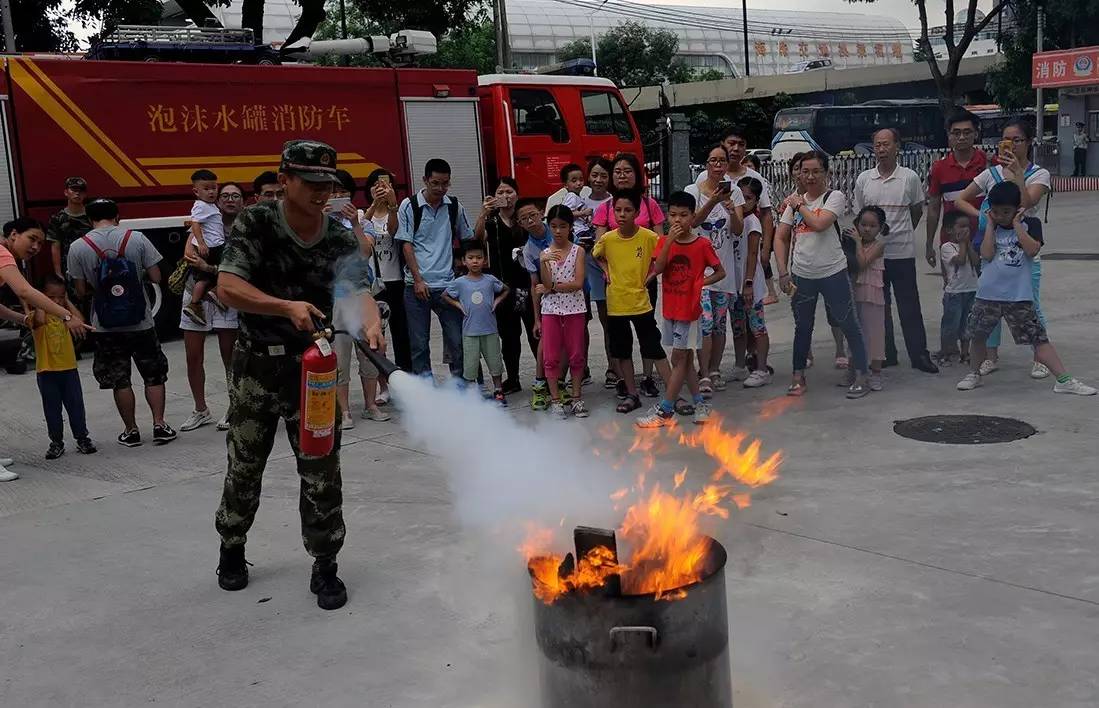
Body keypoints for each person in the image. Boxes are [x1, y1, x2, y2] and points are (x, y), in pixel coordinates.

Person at [213, 140, 384, 610]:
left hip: (314, 370)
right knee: (245, 464)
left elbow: (355, 287)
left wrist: (370, 320)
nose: (318, 192)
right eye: (309, 182)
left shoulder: (338, 236)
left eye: (326, 184)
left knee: (322, 467)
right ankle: (232, 547)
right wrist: (283, 306)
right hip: (257, 366)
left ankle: (325, 563)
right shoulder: (257, 223)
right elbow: (227, 287)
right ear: (284, 179)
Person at [956, 181, 1094, 396]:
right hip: (988, 294)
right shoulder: (988, 226)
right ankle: (974, 373)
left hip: (1018, 296)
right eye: (996, 211)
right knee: (979, 336)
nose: (1001, 216)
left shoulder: (1031, 224)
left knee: (1038, 338)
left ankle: (1064, 380)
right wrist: (991, 225)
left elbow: (1031, 250)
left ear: (1018, 208)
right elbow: (987, 254)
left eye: (1006, 211)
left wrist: (1018, 224)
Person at [67, 199, 177, 447]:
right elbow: (156, 276)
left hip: (105, 325)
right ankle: (159, 425)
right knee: (154, 375)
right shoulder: (136, 238)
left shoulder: (78, 246)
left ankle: (131, 430)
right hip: (142, 322)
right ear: (117, 216)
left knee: (120, 379)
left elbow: (81, 289)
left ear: (88, 219)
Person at [954, 118, 1052, 379]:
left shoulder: (1039, 174)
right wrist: (984, 215)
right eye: (1005, 141)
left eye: (1016, 140)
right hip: (993, 249)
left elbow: (1027, 201)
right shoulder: (990, 174)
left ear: (1028, 142)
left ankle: (1040, 357)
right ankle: (990, 356)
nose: (1010, 145)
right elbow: (961, 200)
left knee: (1031, 303)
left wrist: (1018, 174)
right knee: (989, 305)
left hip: (1022, 247)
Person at [1, 218, 93, 480]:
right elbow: (25, 291)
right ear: (14, 234)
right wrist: (66, 315)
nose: (36, 247)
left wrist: (20, 319)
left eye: (41, 243)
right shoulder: (2, 254)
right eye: (32, 239)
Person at [774, 151, 870, 399]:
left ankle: (860, 373)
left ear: (826, 173)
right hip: (802, 275)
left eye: (816, 171)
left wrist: (799, 205)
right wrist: (783, 271)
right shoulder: (794, 203)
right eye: (805, 171)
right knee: (802, 327)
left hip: (833, 272)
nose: (810, 176)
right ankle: (798, 376)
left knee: (848, 323)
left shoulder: (833, 197)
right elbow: (781, 237)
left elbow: (819, 224)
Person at [853, 128, 937, 374]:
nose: (881, 149)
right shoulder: (864, 179)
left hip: (902, 253)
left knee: (909, 306)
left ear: (897, 146)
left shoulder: (909, 178)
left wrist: (901, 232)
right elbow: (860, 217)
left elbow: (916, 210)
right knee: (879, 308)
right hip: (873, 257)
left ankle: (919, 356)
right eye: (877, 145)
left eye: (886, 144)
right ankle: (886, 353)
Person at [637, 191, 724, 428]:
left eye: (684, 215)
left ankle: (666, 410)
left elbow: (720, 272)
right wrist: (669, 242)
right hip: (671, 310)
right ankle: (699, 403)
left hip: (689, 311)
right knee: (682, 359)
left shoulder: (702, 244)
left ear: (693, 216)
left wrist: (700, 283)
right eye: (673, 215)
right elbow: (661, 267)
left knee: (679, 358)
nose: (678, 220)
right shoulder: (664, 242)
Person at [592, 189, 673, 414]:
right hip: (616, 304)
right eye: (618, 210)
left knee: (654, 347)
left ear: (637, 212)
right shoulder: (607, 239)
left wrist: (652, 274)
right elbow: (596, 254)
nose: (622, 214)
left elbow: (664, 255)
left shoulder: (648, 237)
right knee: (623, 351)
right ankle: (632, 394)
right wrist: (606, 270)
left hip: (641, 304)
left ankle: (672, 395)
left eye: (628, 210)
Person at [396, 158, 474, 381]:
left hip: (447, 286)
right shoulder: (409, 206)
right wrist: (418, 280)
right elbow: (406, 244)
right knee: (419, 344)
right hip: (416, 286)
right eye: (436, 183)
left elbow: (468, 238)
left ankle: (460, 385)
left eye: (445, 184)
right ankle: (426, 389)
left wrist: (484, 216)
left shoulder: (454, 206)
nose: (441, 189)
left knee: (457, 340)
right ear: (425, 180)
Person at [179, 183, 243, 433]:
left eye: (235, 196)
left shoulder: (247, 228)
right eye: (225, 195)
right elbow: (190, 254)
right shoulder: (205, 223)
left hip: (228, 296)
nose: (229, 200)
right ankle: (200, 409)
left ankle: (235, 407)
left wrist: (210, 269)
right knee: (193, 356)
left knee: (231, 357)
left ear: (243, 202)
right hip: (197, 293)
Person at [685, 145, 744, 397]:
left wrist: (730, 208)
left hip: (724, 269)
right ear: (706, 165)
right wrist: (714, 200)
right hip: (700, 272)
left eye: (722, 161)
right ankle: (705, 372)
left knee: (720, 324)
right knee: (705, 323)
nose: (718, 165)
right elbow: (693, 222)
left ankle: (716, 369)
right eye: (713, 161)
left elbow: (738, 230)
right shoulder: (693, 191)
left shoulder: (736, 192)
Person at [476, 177, 532, 393]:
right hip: (502, 287)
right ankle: (513, 378)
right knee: (509, 336)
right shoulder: (492, 222)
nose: (505, 196)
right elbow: (478, 238)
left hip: (525, 285)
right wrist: (483, 213)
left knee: (533, 332)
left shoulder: (524, 219)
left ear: (516, 194)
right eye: (500, 192)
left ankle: (543, 377)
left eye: (509, 192)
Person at [32, 275, 97, 459]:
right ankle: (56, 441)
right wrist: (41, 301)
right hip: (47, 372)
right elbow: (39, 318)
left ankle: (82, 437)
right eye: (51, 297)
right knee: (52, 410)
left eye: (61, 296)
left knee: (76, 406)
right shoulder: (36, 317)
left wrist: (66, 302)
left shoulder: (65, 318)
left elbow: (80, 319)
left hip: (69, 370)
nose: (57, 301)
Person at [535, 205, 588, 418]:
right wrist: (543, 264)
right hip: (551, 311)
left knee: (576, 354)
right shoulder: (545, 253)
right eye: (554, 226)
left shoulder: (579, 251)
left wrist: (552, 287)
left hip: (574, 308)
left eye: (563, 226)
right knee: (551, 356)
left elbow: (577, 283)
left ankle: (576, 397)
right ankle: (555, 399)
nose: (558, 231)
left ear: (570, 227)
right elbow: (545, 282)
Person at [718, 127, 779, 304]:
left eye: (741, 144)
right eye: (731, 143)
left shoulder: (755, 178)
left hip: (746, 253)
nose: (736, 148)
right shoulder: (710, 177)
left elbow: (766, 213)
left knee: (750, 309)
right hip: (720, 256)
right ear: (723, 145)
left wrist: (766, 249)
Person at [443, 241, 509, 404]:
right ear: (464, 261)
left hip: (490, 330)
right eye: (470, 258)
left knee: (495, 361)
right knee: (470, 364)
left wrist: (497, 301)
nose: (475, 261)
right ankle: (473, 393)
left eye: (478, 258)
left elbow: (505, 289)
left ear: (484, 260)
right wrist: (458, 304)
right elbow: (445, 295)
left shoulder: (490, 280)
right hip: (470, 332)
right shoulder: (460, 282)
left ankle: (498, 389)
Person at [363, 168, 410, 379]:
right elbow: (361, 228)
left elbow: (393, 231)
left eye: (385, 184)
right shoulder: (361, 213)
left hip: (396, 280)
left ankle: (405, 374)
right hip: (373, 284)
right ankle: (382, 381)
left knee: (401, 331)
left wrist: (392, 205)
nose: (380, 187)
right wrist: (374, 204)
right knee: (376, 334)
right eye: (376, 184)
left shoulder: (399, 212)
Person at [925, 109, 987, 270]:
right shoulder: (939, 168)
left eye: (967, 132)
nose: (961, 137)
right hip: (951, 240)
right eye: (956, 133)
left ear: (976, 134)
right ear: (949, 136)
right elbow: (933, 208)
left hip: (985, 237)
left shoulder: (989, 164)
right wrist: (929, 243)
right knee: (954, 289)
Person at [732, 177, 772, 388]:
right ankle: (740, 365)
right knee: (738, 327)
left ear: (756, 200)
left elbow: (752, 254)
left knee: (757, 326)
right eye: (741, 197)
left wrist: (748, 283)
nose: (744, 201)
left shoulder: (752, 222)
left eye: (749, 198)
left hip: (750, 284)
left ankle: (762, 368)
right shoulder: (735, 219)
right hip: (734, 283)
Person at [517, 198, 555, 409]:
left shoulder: (557, 231)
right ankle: (540, 384)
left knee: (572, 343)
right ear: (520, 224)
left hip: (573, 293)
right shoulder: (529, 249)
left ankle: (561, 383)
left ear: (541, 213)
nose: (530, 220)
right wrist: (536, 318)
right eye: (524, 219)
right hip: (549, 298)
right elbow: (534, 284)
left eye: (532, 215)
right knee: (545, 342)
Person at [582, 158, 615, 390]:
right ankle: (581, 369)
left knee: (608, 321)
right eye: (595, 175)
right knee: (580, 321)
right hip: (583, 269)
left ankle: (613, 368)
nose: (599, 180)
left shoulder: (616, 204)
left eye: (603, 175)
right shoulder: (579, 204)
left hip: (608, 270)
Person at [851, 207, 888, 391]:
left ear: (880, 228)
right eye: (863, 224)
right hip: (855, 292)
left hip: (873, 294)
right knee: (858, 333)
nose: (867, 229)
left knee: (874, 334)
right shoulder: (852, 243)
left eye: (872, 226)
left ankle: (876, 373)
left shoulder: (879, 245)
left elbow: (863, 262)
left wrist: (857, 242)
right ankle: (857, 370)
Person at [183, 169, 227, 327]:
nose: (211, 192)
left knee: (204, 277)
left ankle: (202, 300)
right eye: (206, 189)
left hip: (213, 244)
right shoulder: (201, 206)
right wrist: (201, 243)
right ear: (196, 191)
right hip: (212, 247)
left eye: (214, 188)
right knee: (226, 270)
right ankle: (209, 297)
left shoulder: (209, 206)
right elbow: (195, 224)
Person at [938, 211, 979, 365]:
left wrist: (968, 245)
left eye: (967, 226)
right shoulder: (947, 247)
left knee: (967, 324)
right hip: (954, 292)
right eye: (961, 226)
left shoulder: (970, 245)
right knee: (951, 325)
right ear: (949, 230)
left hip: (971, 290)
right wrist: (963, 244)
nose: (965, 230)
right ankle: (945, 353)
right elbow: (960, 261)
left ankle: (965, 353)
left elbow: (975, 262)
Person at [46, 176, 92, 280]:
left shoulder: (93, 216)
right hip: (68, 266)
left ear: (85, 194)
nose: (77, 193)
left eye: (81, 191)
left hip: (91, 264)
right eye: (74, 190)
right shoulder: (57, 218)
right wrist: (58, 272)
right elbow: (55, 246)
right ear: (66, 192)